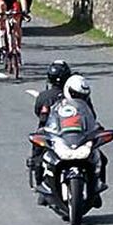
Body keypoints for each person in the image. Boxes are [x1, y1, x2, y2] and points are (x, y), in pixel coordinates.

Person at [39, 75, 107, 207]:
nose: (79, 98)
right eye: (76, 94)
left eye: (82, 95)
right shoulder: (57, 104)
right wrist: (46, 130)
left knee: (102, 159)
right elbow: (48, 120)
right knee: (41, 156)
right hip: (62, 137)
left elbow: (91, 120)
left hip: (80, 138)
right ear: (68, 90)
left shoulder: (86, 105)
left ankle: (96, 191)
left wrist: (97, 130)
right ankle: (43, 189)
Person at [27, 60, 72, 189]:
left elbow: (37, 111)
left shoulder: (44, 96)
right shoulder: (72, 95)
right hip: (68, 132)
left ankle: (39, 182)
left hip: (51, 132)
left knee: (37, 153)